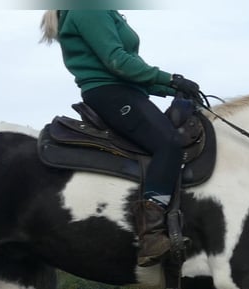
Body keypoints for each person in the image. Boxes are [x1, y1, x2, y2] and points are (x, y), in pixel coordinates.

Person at [40, 9, 201, 266]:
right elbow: (117, 62)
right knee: (169, 144)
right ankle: (150, 234)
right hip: (111, 93)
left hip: (125, 90)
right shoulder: (89, 7)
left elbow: (129, 68)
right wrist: (170, 79)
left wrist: (173, 87)